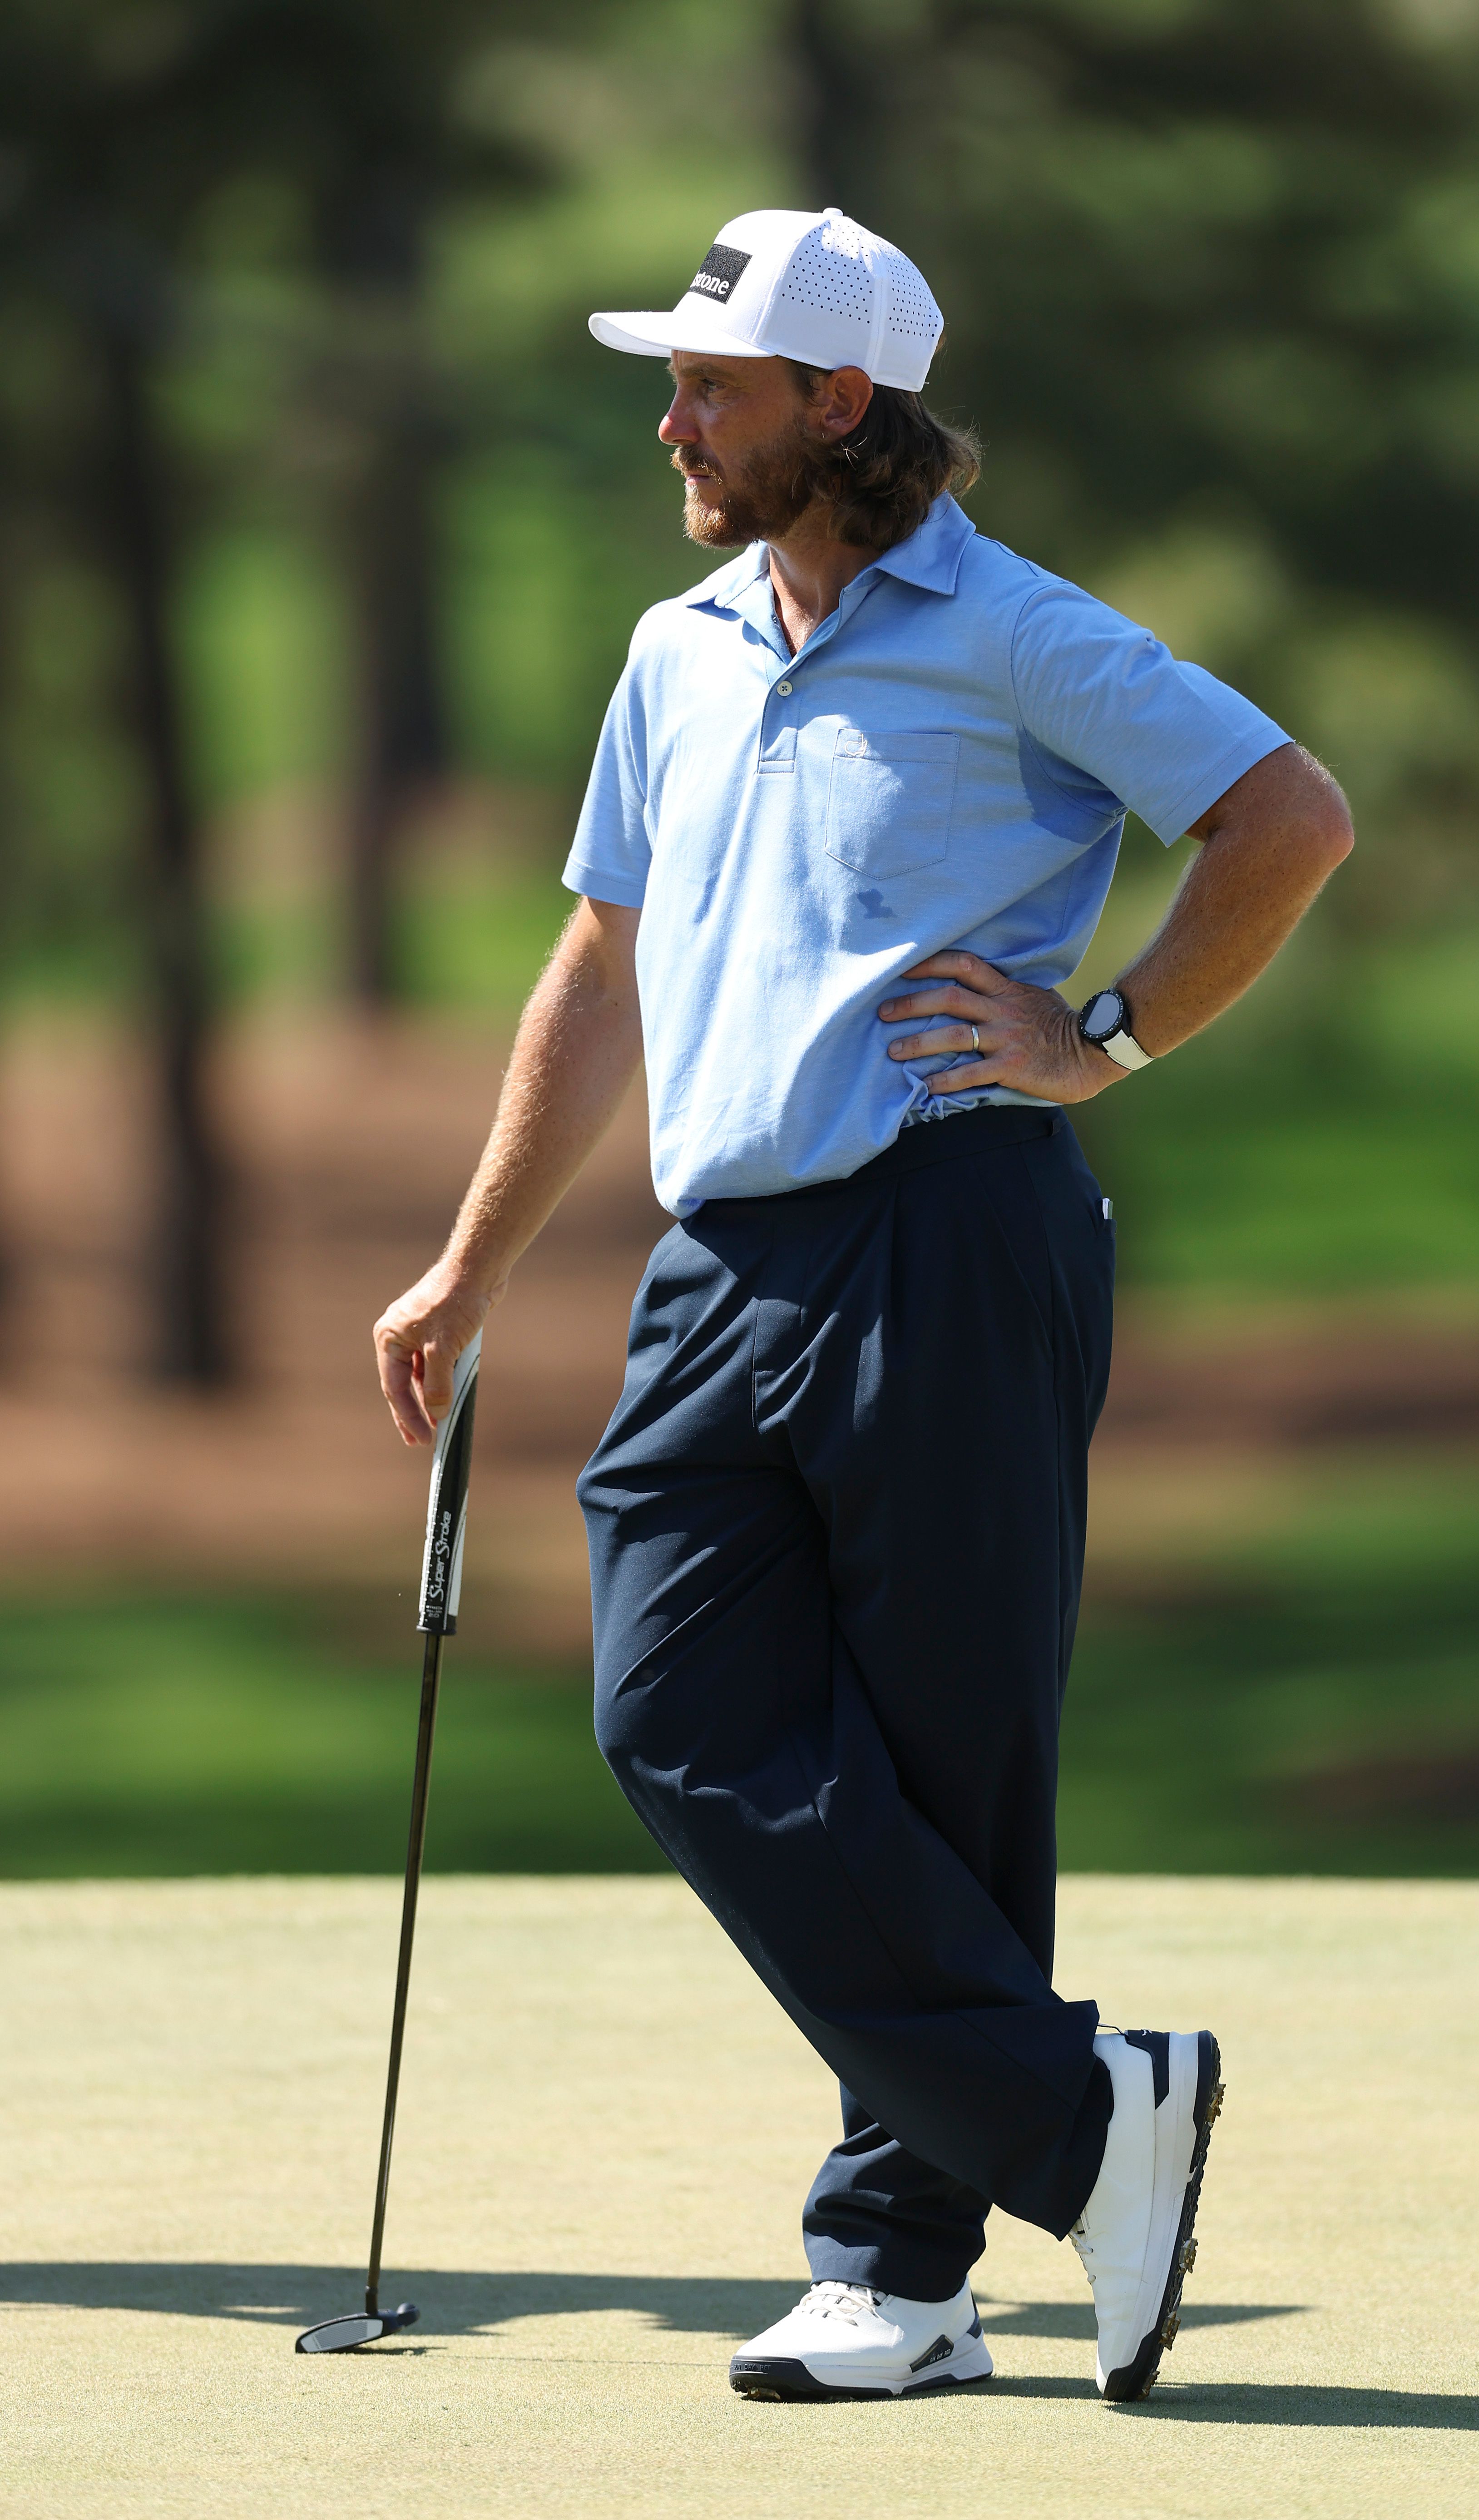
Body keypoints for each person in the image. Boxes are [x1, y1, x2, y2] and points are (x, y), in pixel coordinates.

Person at [374, 207, 1353, 2406]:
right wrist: (471, 1255)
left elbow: (1287, 816)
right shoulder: (678, 649)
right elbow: (601, 965)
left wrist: (1106, 1034)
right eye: (674, 385)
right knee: (672, 1709)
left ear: (839, 404)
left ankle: (900, 2274)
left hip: (951, 1228)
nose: (672, 422)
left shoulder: (1013, 629)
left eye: (711, 388)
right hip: (723, 1259)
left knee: (940, 1748)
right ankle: (1083, 2117)